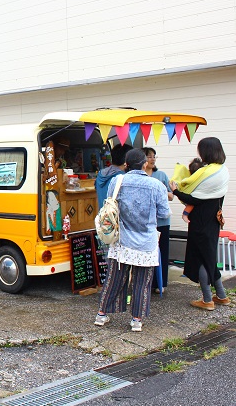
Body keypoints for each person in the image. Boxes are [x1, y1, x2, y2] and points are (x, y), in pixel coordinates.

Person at [94, 148, 170, 332]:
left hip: (122, 240)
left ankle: (102, 315)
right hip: (146, 242)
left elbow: (111, 204)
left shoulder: (116, 181)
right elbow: (164, 213)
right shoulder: (156, 185)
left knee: (114, 279)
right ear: (144, 164)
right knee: (141, 282)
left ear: (126, 164)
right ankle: (136, 320)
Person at [170, 137, 230, 311]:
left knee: (202, 259)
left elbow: (193, 198)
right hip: (213, 220)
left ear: (206, 151)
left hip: (200, 222)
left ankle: (207, 299)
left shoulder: (206, 172)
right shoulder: (223, 170)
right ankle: (222, 296)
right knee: (210, 257)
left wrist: (176, 190)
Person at [143, 147, 174, 293]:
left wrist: (160, 189)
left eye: (154, 156)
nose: (152, 159)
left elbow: (171, 196)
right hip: (144, 221)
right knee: (147, 252)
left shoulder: (161, 175)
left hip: (161, 221)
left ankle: (161, 283)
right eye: (149, 156)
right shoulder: (139, 176)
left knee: (163, 250)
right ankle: (147, 282)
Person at [95, 144, 132, 208]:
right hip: (117, 217)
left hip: (103, 216)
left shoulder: (100, 174)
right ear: (127, 160)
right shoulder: (123, 178)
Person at [177, 158, 205, 223]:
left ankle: (185, 214)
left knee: (191, 204)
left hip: (189, 197)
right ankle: (185, 214)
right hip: (195, 199)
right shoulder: (199, 178)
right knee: (191, 204)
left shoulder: (189, 178)